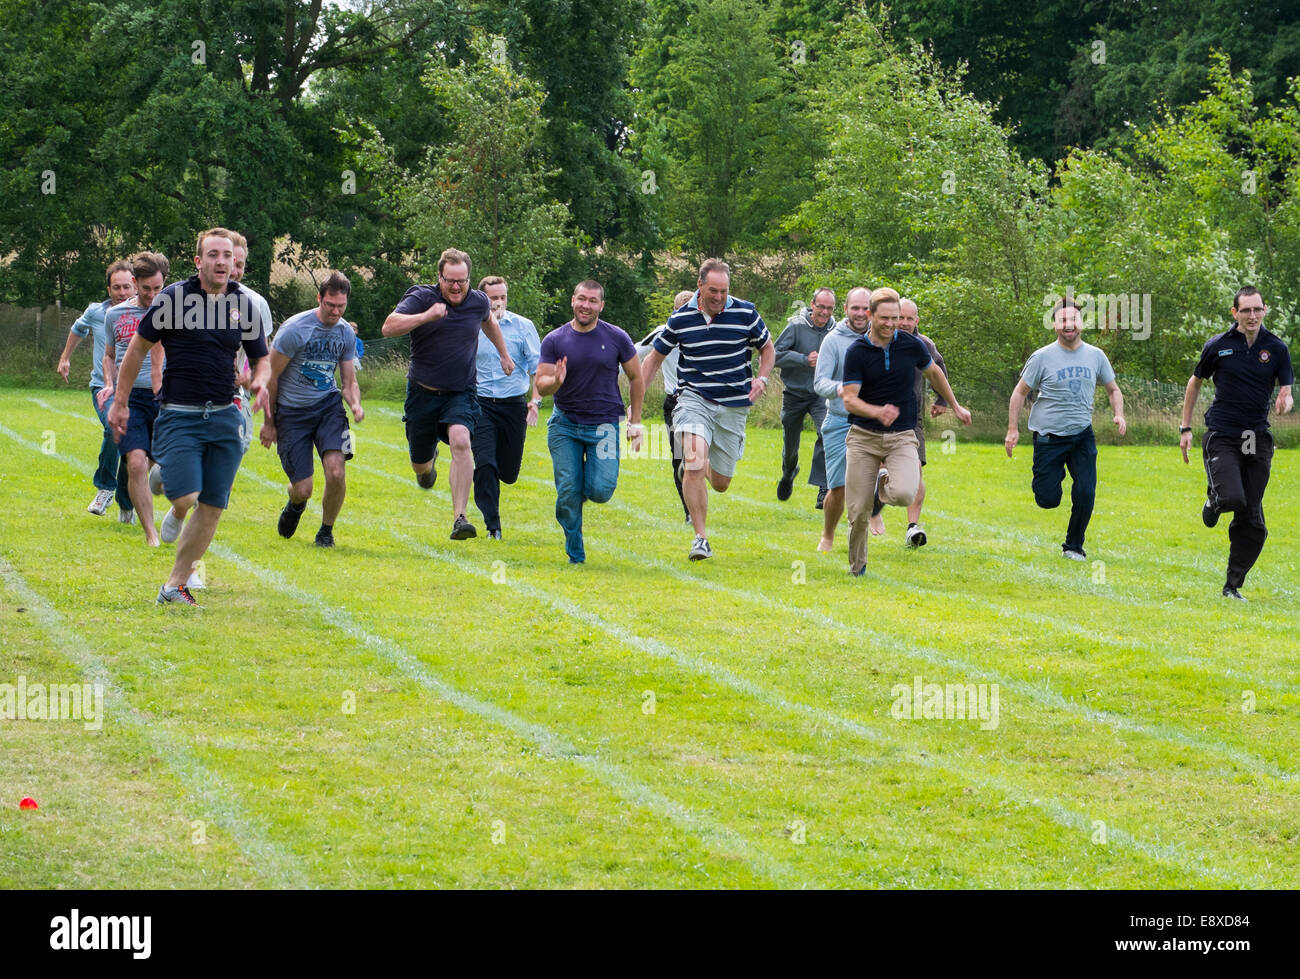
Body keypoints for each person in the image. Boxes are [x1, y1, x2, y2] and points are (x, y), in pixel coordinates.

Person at [109, 228, 270, 607]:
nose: (221, 262)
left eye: (227, 256)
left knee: (213, 503)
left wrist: (259, 381)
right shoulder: (173, 299)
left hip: (226, 413)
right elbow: (137, 348)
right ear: (199, 261)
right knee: (189, 495)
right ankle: (171, 485)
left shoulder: (243, 306)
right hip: (180, 412)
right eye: (213, 255)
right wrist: (120, 400)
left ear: (235, 262)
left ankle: (174, 586)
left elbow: (261, 357)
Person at [641, 259, 775, 561]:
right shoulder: (681, 319)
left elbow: (767, 348)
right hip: (693, 398)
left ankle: (695, 468)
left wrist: (763, 378)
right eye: (713, 290)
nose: (718, 297)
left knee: (721, 483)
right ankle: (700, 538)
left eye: (724, 291)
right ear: (699, 286)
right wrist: (634, 409)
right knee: (695, 462)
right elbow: (652, 361)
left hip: (733, 404)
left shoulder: (745, 312)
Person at [381, 248, 515, 540]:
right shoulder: (421, 297)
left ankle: (460, 518)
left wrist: (504, 354)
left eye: (462, 281)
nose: (456, 287)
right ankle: (428, 464)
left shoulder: (478, 301)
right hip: (422, 393)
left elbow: (488, 321)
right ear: (439, 277)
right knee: (420, 465)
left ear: (469, 279)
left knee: (461, 440)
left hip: (461, 391)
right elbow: (388, 327)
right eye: (450, 280)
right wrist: (426, 316)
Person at [842, 289, 971, 576]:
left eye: (895, 318)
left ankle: (882, 484)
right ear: (870, 316)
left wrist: (955, 406)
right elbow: (849, 398)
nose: (890, 323)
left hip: (902, 435)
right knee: (859, 511)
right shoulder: (857, 352)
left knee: (903, 492)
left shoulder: (912, 345)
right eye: (885, 318)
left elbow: (935, 373)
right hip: (863, 436)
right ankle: (857, 568)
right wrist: (877, 411)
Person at [1178, 286, 1293, 600]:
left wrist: (1286, 396)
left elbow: (1286, 386)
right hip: (1224, 434)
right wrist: (1185, 427)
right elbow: (1195, 381)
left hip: (1255, 437)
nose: (1252, 316)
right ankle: (1214, 500)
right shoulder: (1218, 346)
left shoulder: (1277, 348)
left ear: (1264, 310)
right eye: (1246, 310)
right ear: (1235, 313)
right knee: (1231, 498)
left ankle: (1232, 587)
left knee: (1252, 519)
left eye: (1257, 309)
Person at [1006, 298, 1126, 561]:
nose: (1068, 325)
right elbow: (1019, 393)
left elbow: (1113, 389)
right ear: (1054, 324)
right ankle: (1052, 474)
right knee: (1047, 499)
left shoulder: (1096, 356)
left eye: (1073, 320)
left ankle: (1074, 546)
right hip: (1049, 438)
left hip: (1082, 435)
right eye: (1063, 320)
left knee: (1086, 491)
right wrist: (1012, 430)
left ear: (1082, 323)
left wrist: (1119, 414)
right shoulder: (1041, 357)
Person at [535, 280, 645, 563]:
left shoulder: (617, 337)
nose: (586, 305)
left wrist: (636, 421)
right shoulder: (555, 340)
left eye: (593, 301)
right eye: (582, 299)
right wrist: (556, 381)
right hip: (565, 426)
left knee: (601, 490)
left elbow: (637, 378)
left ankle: (576, 486)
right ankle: (575, 551)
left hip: (605, 426)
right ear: (573, 300)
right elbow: (541, 384)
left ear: (601, 305)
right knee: (569, 491)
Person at [259, 272, 363, 548]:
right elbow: (271, 377)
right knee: (303, 488)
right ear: (319, 298)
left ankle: (326, 531)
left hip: (328, 407)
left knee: (336, 471)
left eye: (341, 306)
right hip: (292, 413)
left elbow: (349, 380)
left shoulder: (344, 333)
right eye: (330, 304)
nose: (335, 311)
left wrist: (355, 404)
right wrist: (269, 422)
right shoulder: (295, 329)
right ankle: (295, 504)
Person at [450, 275, 541, 540]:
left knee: (509, 472)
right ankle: (493, 526)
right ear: (481, 299)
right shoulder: (469, 326)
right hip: (479, 404)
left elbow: (538, 369)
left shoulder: (523, 327)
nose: (498, 303)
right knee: (486, 463)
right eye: (493, 298)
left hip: (513, 404)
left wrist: (535, 402)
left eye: (502, 297)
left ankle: (496, 487)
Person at [98, 252, 168, 545]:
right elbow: (110, 356)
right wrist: (109, 385)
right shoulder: (116, 315)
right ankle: (151, 535)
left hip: (168, 396)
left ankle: (138, 501)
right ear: (135, 283)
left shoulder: (179, 313)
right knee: (136, 463)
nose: (152, 295)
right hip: (132, 398)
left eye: (157, 288)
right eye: (145, 288)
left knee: (157, 467)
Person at [56, 260, 135, 516]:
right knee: (115, 428)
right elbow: (77, 329)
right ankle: (104, 488)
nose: (122, 293)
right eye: (116, 288)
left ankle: (127, 503)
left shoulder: (145, 313)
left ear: (134, 285)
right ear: (108, 288)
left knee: (131, 445)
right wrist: (65, 358)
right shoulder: (97, 312)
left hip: (136, 390)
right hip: (103, 387)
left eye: (126, 287)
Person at [812, 287, 870, 553]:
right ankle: (828, 534)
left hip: (872, 421)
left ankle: (874, 510)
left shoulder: (881, 338)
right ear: (845, 309)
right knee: (838, 487)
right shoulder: (833, 340)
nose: (860, 313)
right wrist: (841, 389)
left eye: (865, 308)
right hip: (839, 421)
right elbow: (820, 382)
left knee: (880, 475)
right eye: (855, 308)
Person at [636, 290, 695, 522]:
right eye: (680, 309)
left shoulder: (704, 330)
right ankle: (689, 511)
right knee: (680, 459)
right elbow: (635, 352)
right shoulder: (662, 332)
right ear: (674, 311)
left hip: (703, 401)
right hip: (675, 402)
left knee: (699, 458)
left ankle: (703, 477)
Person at [896, 297, 949, 547]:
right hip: (876, 418)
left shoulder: (924, 345)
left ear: (917, 320)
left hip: (911, 419)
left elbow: (939, 370)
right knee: (881, 473)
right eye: (900, 317)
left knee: (915, 472)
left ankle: (912, 527)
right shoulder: (878, 339)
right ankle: (868, 516)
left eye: (910, 318)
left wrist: (942, 400)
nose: (905, 323)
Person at [774, 288, 834, 506]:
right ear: (812, 304)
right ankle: (789, 471)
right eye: (821, 307)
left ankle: (824, 487)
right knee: (791, 445)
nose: (825, 312)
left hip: (822, 395)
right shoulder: (796, 327)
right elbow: (774, 355)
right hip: (794, 394)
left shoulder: (836, 330)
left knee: (827, 434)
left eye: (829, 308)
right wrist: (802, 359)